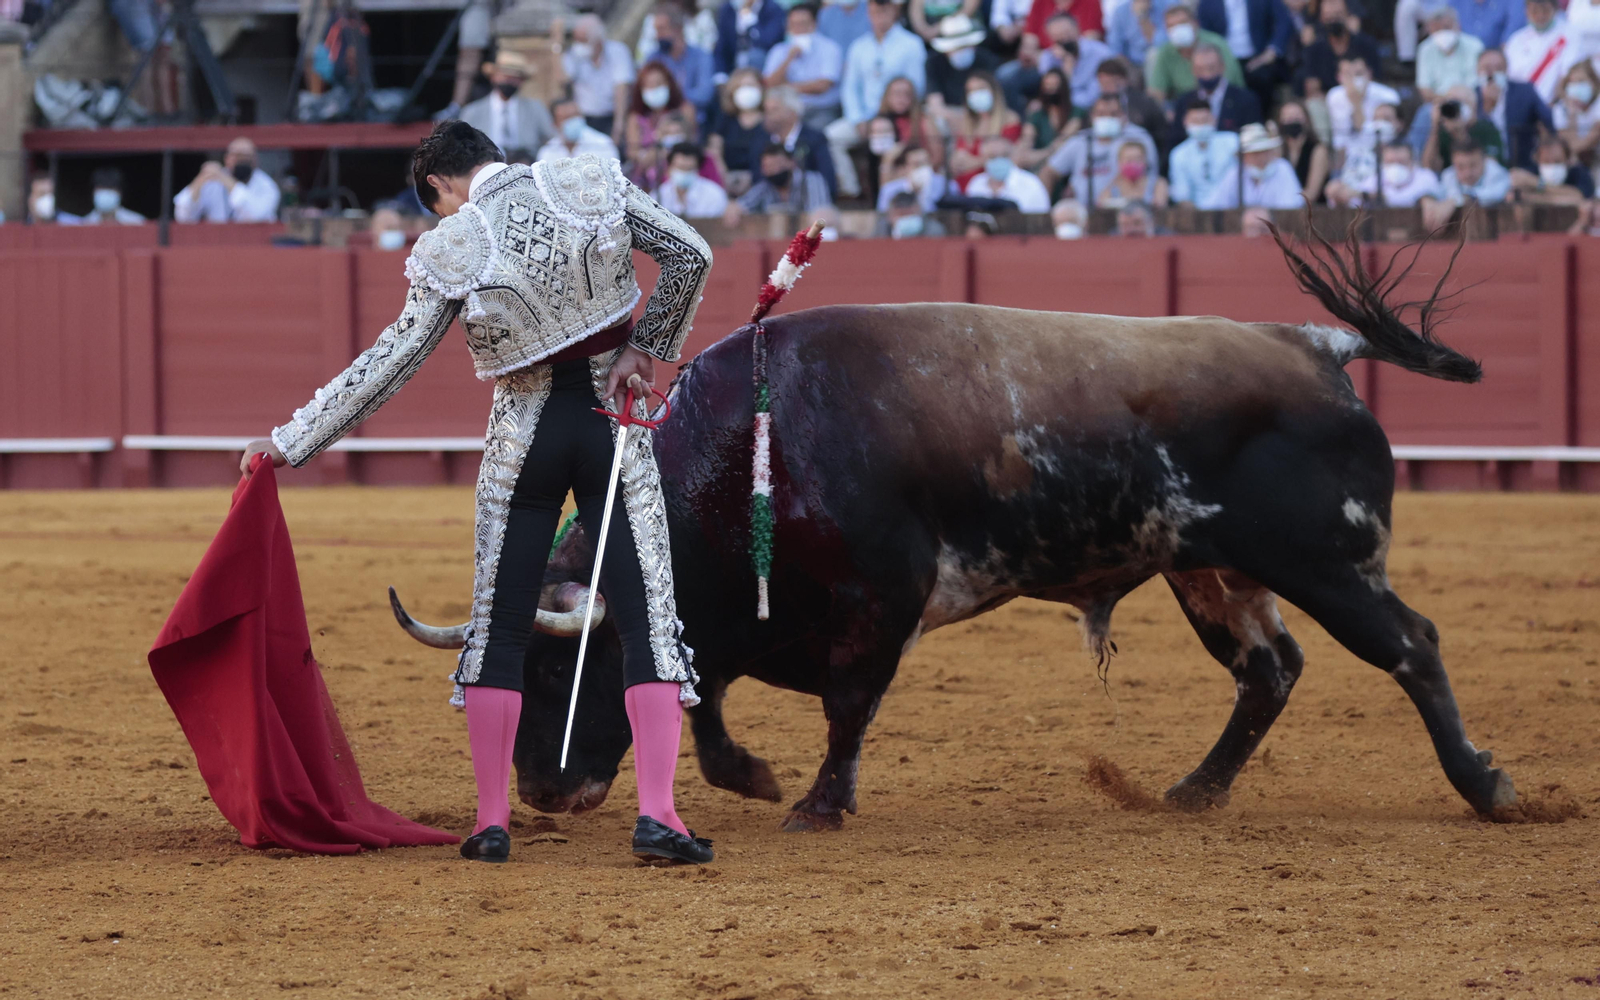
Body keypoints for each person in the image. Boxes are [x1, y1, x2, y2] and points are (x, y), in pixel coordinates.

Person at [238, 121, 715, 866]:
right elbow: (691, 254)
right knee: (648, 617)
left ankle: (491, 824)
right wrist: (645, 348)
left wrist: (292, 439)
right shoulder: (587, 180)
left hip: (522, 436)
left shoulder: (452, 242)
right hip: (610, 424)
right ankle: (659, 817)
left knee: (498, 629)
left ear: (438, 186)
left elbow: (391, 360)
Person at [830, 0, 928, 198]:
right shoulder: (859, 46)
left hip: (900, 115)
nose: (878, 16)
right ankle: (851, 191)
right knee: (834, 136)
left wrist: (888, 116)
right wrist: (858, 119)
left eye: (883, 10)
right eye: (874, 11)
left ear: (894, 10)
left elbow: (916, 86)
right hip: (864, 118)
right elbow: (850, 88)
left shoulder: (911, 44)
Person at [1040, 90, 1159, 203]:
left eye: (1113, 114)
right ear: (1092, 116)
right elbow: (1049, 172)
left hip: (1126, 210)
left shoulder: (1139, 138)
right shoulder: (1081, 140)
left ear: (1123, 115)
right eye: (1101, 114)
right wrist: (1044, 208)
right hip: (1082, 211)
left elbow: (1153, 177)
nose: (1107, 118)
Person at [1196, 0, 1294, 112]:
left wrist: (1272, 50)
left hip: (1258, 58)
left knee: (1263, 80)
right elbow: (1205, 34)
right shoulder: (1207, 3)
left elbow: (1283, 20)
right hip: (1225, 59)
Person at [763, 2, 845, 130]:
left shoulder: (830, 48)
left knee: (814, 134)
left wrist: (785, 87)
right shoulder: (779, 50)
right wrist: (789, 59)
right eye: (793, 24)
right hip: (787, 110)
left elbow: (822, 85)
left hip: (821, 109)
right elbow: (769, 83)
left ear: (814, 24)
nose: (798, 29)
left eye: (803, 24)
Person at [460, 51, 556, 160]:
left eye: (515, 76)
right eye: (505, 75)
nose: (509, 80)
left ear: (522, 81)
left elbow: (552, 140)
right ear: (493, 77)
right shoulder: (472, 111)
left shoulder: (535, 108)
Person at [559, 14, 636, 148]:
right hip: (585, 119)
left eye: (583, 40)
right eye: (576, 40)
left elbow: (621, 90)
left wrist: (619, 126)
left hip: (611, 117)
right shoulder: (573, 54)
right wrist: (557, 44)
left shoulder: (618, 51)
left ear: (597, 40)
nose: (578, 45)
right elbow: (562, 80)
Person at [1476, 46, 1554, 169]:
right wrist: (1487, 106)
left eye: (1498, 68)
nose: (1492, 74)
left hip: (1521, 166)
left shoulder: (1524, 91)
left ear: (1506, 70)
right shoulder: (1472, 96)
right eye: (1487, 68)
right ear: (1477, 71)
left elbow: (1549, 121)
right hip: (1482, 168)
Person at [1146, 4, 1244, 101]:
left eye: (1182, 23)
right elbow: (1156, 91)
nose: (1177, 29)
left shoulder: (1217, 44)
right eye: (1171, 26)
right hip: (1185, 107)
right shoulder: (1165, 52)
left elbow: (1231, 82)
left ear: (1196, 23)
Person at [173, 137, 282, 223]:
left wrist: (227, 181)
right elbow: (183, 216)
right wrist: (199, 180)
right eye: (237, 156)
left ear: (255, 160)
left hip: (256, 246)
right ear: (227, 159)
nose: (241, 161)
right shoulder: (213, 180)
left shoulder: (267, 186)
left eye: (245, 157)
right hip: (216, 244)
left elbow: (254, 216)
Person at [1199, 121, 1306, 208]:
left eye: (1265, 151)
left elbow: (1291, 207)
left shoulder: (1283, 169)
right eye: (1255, 153)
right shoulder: (1235, 174)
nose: (1261, 157)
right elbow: (1213, 205)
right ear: (1244, 157)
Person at [951, 72, 1024, 190]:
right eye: (971, 91)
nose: (976, 94)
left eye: (981, 88)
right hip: (964, 189)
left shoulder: (1010, 119)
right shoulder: (967, 124)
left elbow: (1009, 156)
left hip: (994, 188)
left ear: (994, 91)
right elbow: (958, 158)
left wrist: (974, 162)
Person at [764, 85, 840, 196]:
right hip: (769, 206)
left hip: (809, 203)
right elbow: (758, 180)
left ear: (793, 112)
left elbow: (827, 180)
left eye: (774, 110)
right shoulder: (761, 141)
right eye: (766, 111)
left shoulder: (814, 139)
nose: (768, 116)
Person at [1297, 0, 1382, 98]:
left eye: (1338, 15)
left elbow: (1376, 79)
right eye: (1329, 17)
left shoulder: (1366, 44)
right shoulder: (1314, 49)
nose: (1334, 21)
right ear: (1321, 19)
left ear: (1348, 16)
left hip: (1363, 96)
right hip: (1327, 101)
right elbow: (1312, 86)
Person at [1173, 42, 1263, 133]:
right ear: (1193, 70)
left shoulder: (1246, 100)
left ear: (1222, 66)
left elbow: (1254, 137)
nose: (1207, 75)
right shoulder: (1184, 103)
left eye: (1211, 68)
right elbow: (1175, 140)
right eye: (1200, 69)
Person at [729, 141, 836, 218]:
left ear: (791, 163)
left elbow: (820, 213)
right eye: (768, 167)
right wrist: (735, 208)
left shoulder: (811, 180)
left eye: (777, 164)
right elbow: (741, 205)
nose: (774, 170)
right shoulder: (765, 186)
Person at [624, 60, 692, 181]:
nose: (654, 88)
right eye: (649, 85)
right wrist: (659, 142)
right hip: (645, 178)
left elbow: (690, 142)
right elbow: (633, 152)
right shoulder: (635, 117)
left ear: (669, 84)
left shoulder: (685, 110)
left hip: (680, 173)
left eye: (659, 83)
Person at [925, 13, 1005, 115]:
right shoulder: (933, 63)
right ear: (946, 50)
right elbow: (935, 105)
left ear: (973, 45)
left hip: (983, 115)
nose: (961, 51)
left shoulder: (987, 60)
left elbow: (996, 100)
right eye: (956, 47)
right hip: (949, 117)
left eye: (965, 46)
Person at [1169, 97, 1242, 204]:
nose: (1200, 125)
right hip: (1197, 215)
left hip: (1233, 209)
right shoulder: (1178, 154)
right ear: (1185, 121)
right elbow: (1182, 196)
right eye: (1195, 121)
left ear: (1214, 120)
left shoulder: (1232, 142)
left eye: (1204, 120)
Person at [650, 4, 717, 115]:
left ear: (678, 28)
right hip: (661, 121)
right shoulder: (654, 58)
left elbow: (704, 94)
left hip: (697, 121)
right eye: (656, 30)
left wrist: (669, 96)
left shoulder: (701, 56)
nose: (657, 36)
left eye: (661, 29)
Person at [1504, 0, 1575, 103]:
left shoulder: (1569, 34)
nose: (1540, 16)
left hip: (1552, 105)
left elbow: (1567, 76)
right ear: (1526, 11)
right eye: (1535, 11)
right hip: (1518, 105)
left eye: (1545, 11)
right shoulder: (1516, 40)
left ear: (1555, 9)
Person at [1326, 55, 1401, 150]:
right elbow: (1341, 139)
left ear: (1369, 73)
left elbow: (1386, 137)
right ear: (1339, 77)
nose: (1353, 79)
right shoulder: (1334, 96)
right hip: (1347, 154)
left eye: (1358, 73)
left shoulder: (1388, 95)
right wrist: (1356, 102)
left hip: (1382, 151)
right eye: (1348, 74)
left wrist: (1357, 103)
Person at [1016, 67, 1082, 171]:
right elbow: (1027, 138)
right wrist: (1023, 153)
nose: (1051, 89)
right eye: (1047, 85)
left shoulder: (1076, 113)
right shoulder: (1038, 115)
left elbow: (1063, 141)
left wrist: (1039, 156)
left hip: (1066, 165)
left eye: (1055, 85)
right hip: (1038, 163)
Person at [709, 67, 770, 179]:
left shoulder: (770, 119)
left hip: (762, 179)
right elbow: (714, 151)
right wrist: (724, 177)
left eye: (751, 86)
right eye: (741, 87)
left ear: (761, 88)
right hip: (729, 178)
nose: (746, 91)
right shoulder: (725, 119)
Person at [965, 135, 1054, 209]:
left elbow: (1042, 221)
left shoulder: (1031, 184)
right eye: (992, 156)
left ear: (1013, 156)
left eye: (1004, 155)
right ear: (983, 158)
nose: (999, 160)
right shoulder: (976, 184)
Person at [1417, 6, 1485, 101]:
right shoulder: (1425, 49)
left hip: (1469, 100)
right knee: (1424, 115)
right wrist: (1444, 101)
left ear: (1458, 25)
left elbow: (1477, 84)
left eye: (1446, 27)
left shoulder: (1475, 46)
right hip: (1437, 102)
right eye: (1437, 29)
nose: (1442, 33)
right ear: (1429, 30)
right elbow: (1424, 88)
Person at [1509, 131, 1596, 201]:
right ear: (1538, 160)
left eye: (1557, 161)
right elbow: (1513, 196)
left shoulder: (1580, 174)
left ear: (1568, 160)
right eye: (1546, 161)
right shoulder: (1530, 172)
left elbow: (1578, 197)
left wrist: (1538, 184)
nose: (1552, 165)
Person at [654, 142, 732, 217]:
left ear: (697, 169)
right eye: (681, 168)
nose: (684, 173)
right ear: (670, 168)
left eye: (689, 169)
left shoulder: (714, 194)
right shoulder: (658, 195)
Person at [714, 0, 788, 78]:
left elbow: (769, 41)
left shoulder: (773, 9)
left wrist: (751, 24)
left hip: (763, 66)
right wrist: (720, 74)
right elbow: (722, 43)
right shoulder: (728, 8)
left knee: (755, 55)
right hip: (734, 65)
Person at [538, 97, 623, 162]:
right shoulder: (547, 152)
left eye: (575, 116)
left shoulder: (603, 144)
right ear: (555, 124)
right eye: (567, 118)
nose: (573, 121)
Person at [1278, 97, 1330, 202]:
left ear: (1306, 120)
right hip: (1282, 210)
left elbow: (1312, 193)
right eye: (1288, 118)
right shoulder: (1279, 150)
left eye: (1297, 118)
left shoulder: (1318, 150)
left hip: (1313, 213)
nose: (1292, 122)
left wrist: (1287, 202)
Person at [1094, 137, 1168, 207]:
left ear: (1145, 161)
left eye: (1137, 159)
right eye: (1129, 160)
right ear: (1120, 162)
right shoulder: (1112, 187)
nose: (1133, 163)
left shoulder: (1157, 184)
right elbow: (1101, 203)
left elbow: (1160, 205)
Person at [876, 144, 951, 211]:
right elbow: (883, 218)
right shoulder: (889, 191)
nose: (922, 168)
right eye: (917, 164)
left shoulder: (946, 185)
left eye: (925, 163)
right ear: (905, 168)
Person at [63, 168, 147, 225]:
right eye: (101, 188)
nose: (106, 192)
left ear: (120, 192)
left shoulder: (137, 222)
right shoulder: (85, 223)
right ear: (93, 192)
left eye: (110, 188)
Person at [1440, 137, 1512, 202]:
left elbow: (1498, 192)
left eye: (1473, 165)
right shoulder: (1448, 175)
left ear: (1484, 160)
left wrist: (1470, 197)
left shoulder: (1495, 171)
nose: (1467, 173)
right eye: (1461, 167)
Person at [1553, 61, 1600, 159]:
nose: (1576, 87)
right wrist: (1572, 115)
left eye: (1581, 81)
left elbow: (1581, 146)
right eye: (1572, 82)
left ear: (1594, 83)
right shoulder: (1561, 108)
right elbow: (1567, 146)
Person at [1106, 0, 1166, 65]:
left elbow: (1162, 44)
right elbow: (1114, 46)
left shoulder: (1165, 5)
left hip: (1159, 61)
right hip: (1131, 63)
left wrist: (1143, 18)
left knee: (1153, 55)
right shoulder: (1120, 11)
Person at [1448, 0, 1525, 50]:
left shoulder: (1512, 2)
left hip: (1497, 58)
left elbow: (1514, 31)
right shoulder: (1455, 2)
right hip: (1464, 57)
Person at [1024, 0, 1106, 43]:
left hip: (1078, 58)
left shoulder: (1090, 2)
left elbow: (1091, 38)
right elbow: (1030, 37)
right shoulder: (1040, 2)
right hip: (1041, 58)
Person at [880, 189, 949, 237]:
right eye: (901, 215)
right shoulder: (882, 231)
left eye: (910, 215)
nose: (906, 220)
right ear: (890, 216)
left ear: (919, 212)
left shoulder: (934, 231)